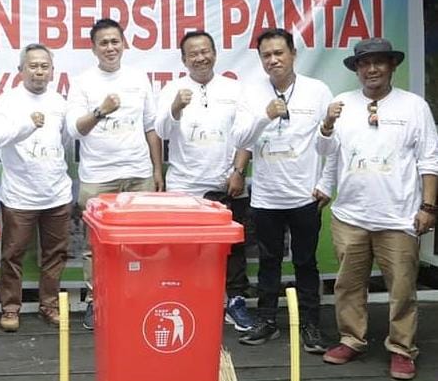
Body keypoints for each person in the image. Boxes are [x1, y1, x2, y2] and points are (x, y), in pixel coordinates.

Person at [316, 38, 437, 380]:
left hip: (398, 216)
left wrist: (429, 206)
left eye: (379, 62)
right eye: (364, 63)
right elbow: (325, 150)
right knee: (348, 286)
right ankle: (352, 339)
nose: (371, 69)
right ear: (356, 69)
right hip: (350, 216)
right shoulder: (341, 104)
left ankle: (401, 348)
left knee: (402, 289)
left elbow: (430, 159)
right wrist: (326, 123)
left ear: (391, 66)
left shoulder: (414, 107)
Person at [232, 28, 331, 352]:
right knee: (268, 262)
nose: (273, 60)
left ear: (293, 54)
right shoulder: (251, 92)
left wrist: (325, 183)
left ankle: (311, 326)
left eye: (279, 53)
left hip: (304, 196)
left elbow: (333, 141)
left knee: (305, 262)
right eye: (266, 55)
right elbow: (239, 137)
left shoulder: (317, 91)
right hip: (265, 197)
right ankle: (267, 321)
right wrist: (265, 115)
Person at [154, 30, 253, 332]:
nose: (201, 57)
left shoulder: (235, 89)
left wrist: (238, 172)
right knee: (184, 250)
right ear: (184, 59)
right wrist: (175, 108)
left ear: (214, 53)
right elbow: (160, 131)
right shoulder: (173, 88)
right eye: (193, 53)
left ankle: (235, 302)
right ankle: (188, 302)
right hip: (185, 187)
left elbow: (246, 135)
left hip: (225, 185)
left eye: (205, 51)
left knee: (232, 249)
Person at [67, 18, 163, 330]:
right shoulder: (82, 82)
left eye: (115, 41)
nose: (110, 48)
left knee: (143, 241)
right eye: (103, 43)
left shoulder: (139, 78)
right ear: (93, 49)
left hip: (138, 173)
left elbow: (151, 126)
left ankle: (140, 296)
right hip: (98, 177)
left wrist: (157, 169)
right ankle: (97, 301)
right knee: (96, 246)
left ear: (124, 44)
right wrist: (100, 111)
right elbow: (74, 130)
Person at [0, 44, 71, 332]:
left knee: (55, 253)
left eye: (44, 66)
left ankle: (48, 305)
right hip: (19, 195)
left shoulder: (60, 102)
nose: (39, 71)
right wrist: (28, 126)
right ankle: (10, 308)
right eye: (33, 65)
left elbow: (64, 142)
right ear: (21, 70)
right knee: (12, 254)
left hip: (56, 192)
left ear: (52, 71)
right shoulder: (7, 101)